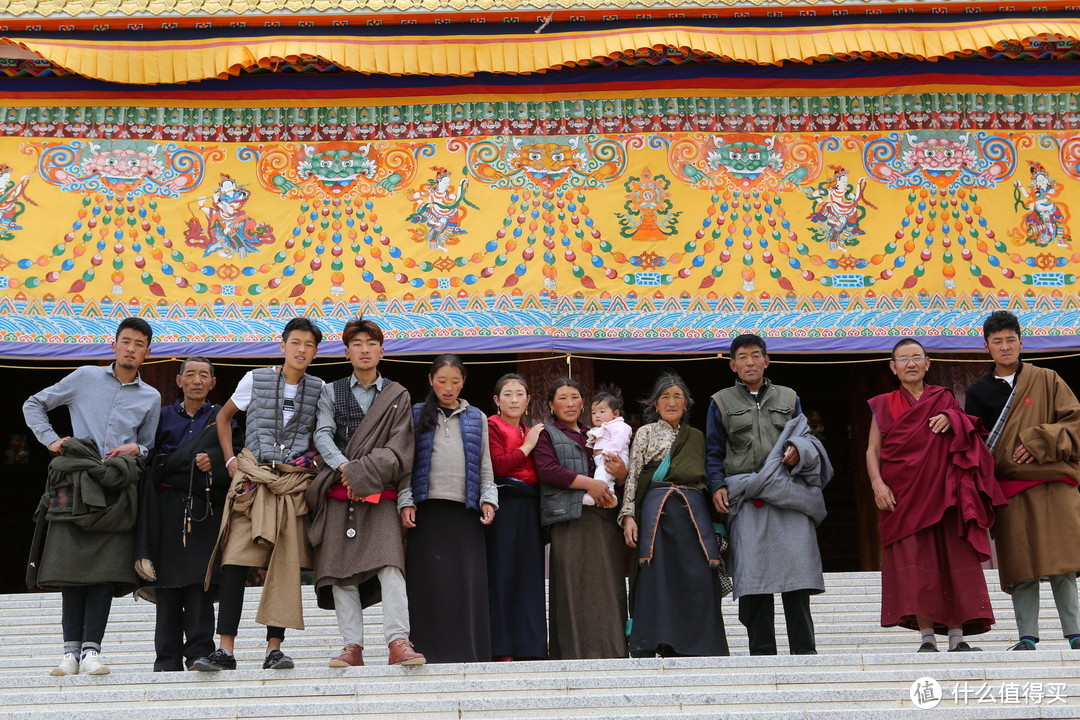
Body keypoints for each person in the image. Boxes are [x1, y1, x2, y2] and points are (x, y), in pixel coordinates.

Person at [23, 317, 161, 676]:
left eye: (139, 344)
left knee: (103, 571)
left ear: (147, 352)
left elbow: (149, 446)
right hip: (74, 478)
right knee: (71, 568)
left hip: (117, 485)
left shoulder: (152, 396)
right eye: (126, 341)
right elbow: (33, 404)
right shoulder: (84, 376)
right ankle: (69, 652)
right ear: (113, 345)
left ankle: (92, 651)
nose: (131, 348)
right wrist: (51, 440)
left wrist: (138, 447)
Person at [194, 317, 325, 672]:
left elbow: (324, 434)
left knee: (283, 565)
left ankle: (274, 648)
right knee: (235, 561)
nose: (301, 350)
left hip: (290, 484)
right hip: (253, 481)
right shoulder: (256, 378)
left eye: (309, 345)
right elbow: (224, 418)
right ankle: (226, 649)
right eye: (295, 342)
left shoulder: (320, 388)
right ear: (282, 345)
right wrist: (231, 458)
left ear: (315, 352)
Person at [866, 339, 1005, 653]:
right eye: (903, 358)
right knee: (916, 562)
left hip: (946, 494)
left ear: (928, 363)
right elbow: (873, 450)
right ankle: (926, 636)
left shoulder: (943, 399)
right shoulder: (884, 404)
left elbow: (970, 438)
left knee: (949, 558)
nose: (911, 363)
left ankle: (957, 635)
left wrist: (953, 419)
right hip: (902, 496)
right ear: (893, 367)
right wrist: (878, 484)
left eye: (917, 357)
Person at [307, 317, 425, 667]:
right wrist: (346, 468)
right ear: (347, 352)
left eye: (371, 343)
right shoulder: (330, 391)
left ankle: (398, 641)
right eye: (357, 344)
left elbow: (400, 449)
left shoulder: (397, 395)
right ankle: (352, 646)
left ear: (382, 351)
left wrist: (363, 474)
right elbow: (323, 434)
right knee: (340, 571)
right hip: (339, 490)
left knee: (391, 566)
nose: (364, 349)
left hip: (381, 496)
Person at [706, 333, 832, 656]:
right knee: (754, 578)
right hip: (748, 497)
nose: (750, 362)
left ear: (767, 360)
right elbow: (713, 451)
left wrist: (797, 450)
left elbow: (808, 439)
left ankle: (804, 651)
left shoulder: (789, 398)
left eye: (755, 355)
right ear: (732, 365)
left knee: (797, 577)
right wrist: (718, 484)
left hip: (787, 494)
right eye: (742, 357)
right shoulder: (720, 402)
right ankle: (762, 654)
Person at [965, 310, 1080, 651]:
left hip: (1054, 482)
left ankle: (1075, 633)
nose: (1005, 347)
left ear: (1021, 342)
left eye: (1010, 340)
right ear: (986, 347)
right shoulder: (978, 391)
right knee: (1021, 564)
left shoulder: (1048, 379)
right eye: (997, 341)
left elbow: (1075, 423)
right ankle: (1027, 637)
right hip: (1009, 489)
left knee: (1063, 563)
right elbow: (976, 446)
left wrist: (1037, 441)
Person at [619, 373, 729, 657]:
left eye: (677, 396)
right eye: (665, 396)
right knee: (659, 579)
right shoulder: (644, 433)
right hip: (657, 516)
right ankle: (660, 641)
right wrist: (629, 515)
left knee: (697, 578)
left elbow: (706, 479)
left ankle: (699, 643)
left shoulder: (696, 437)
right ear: (655, 404)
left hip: (693, 516)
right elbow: (632, 477)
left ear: (686, 403)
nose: (671, 402)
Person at [398, 354, 498, 663]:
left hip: (465, 513)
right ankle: (427, 650)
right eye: (442, 380)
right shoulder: (415, 414)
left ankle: (469, 652)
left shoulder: (476, 416)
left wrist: (488, 497)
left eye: (455, 381)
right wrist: (406, 500)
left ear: (464, 382)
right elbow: (404, 463)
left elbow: (485, 464)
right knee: (428, 586)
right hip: (427, 512)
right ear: (430, 380)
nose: (448, 387)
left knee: (465, 586)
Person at [533, 377, 628, 659]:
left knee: (607, 585)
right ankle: (572, 653)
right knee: (571, 587)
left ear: (583, 402)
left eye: (575, 397)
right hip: (570, 517)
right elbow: (548, 470)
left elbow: (616, 472)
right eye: (562, 398)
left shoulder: (599, 433)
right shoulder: (547, 434)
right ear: (551, 404)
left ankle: (612, 651)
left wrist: (621, 473)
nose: (570, 403)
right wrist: (589, 484)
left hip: (603, 516)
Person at [486, 373, 547, 661]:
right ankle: (503, 647)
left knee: (530, 577)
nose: (514, 399)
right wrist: (527, 447)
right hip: (505, 504)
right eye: (507, 394)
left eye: (520, 393)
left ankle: (531, 647)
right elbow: (498, 465)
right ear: (497, 400)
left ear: (528, 400)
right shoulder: (492, 426)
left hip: (529, 505)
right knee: (503, 574)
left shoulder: (527, 429)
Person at [584, 388, 632, 507]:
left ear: (615, 414)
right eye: (594, 413)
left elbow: (619, 439)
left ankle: (592, 496)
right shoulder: (604, 427)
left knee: (601, 475)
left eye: (602, 411)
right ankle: (610, 496)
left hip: (613, 459)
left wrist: (609, 453)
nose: (597, 415)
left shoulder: (619, 425)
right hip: (605, 460)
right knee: (606, 478)